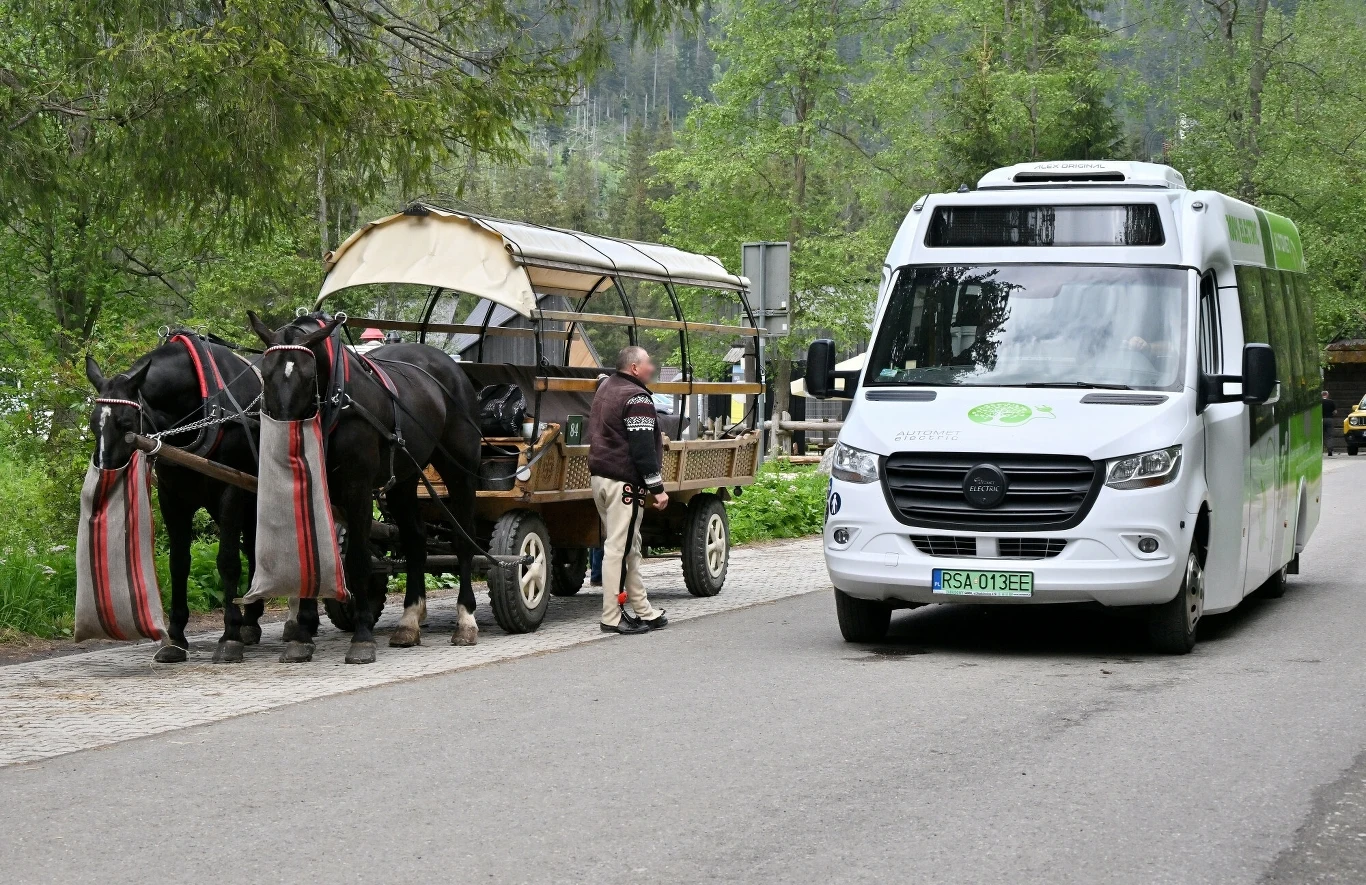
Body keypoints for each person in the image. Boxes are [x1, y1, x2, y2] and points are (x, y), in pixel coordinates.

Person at [588, 345, 669, 635]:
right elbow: (643, 449)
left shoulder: (606, 387)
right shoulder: (638, 399)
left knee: (627, 547)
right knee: (618, 550)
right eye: (648, 363)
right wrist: (657, 487)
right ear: (634, 368)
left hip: (600, 478)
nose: (652, 367)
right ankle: (611, 615)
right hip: (624, 482)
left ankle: (644, 609)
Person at [1322, 389, 1338, 456]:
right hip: (1329, 419)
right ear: (1327, 395)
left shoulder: (1319, 402)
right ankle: (1330, 450)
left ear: (1322, 395)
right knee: (1329, 435)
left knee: (1321, 435)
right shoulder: (1331, 402)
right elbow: (1335, 412)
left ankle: (1319, 450)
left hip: (1321, 419)